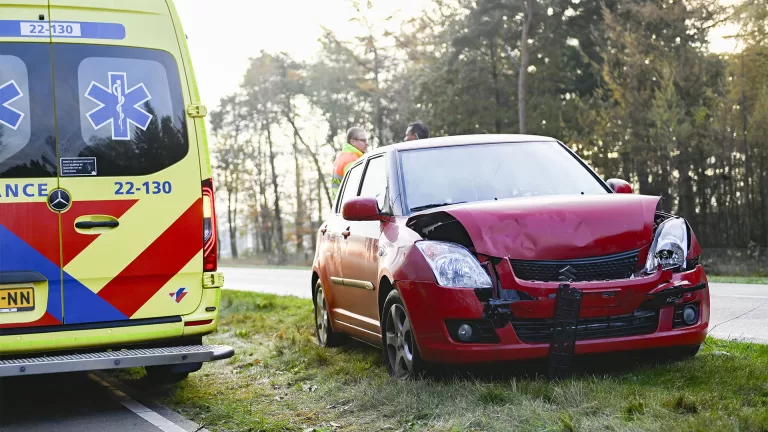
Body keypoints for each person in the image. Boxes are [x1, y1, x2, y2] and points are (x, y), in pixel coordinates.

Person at [331, 126, 369, 201]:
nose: (366, 144)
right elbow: (356, 189)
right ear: (353, 142)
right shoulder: (352, 160)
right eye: (363, 140)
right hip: (350, 207)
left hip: (339, 206)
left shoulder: (341, 157)